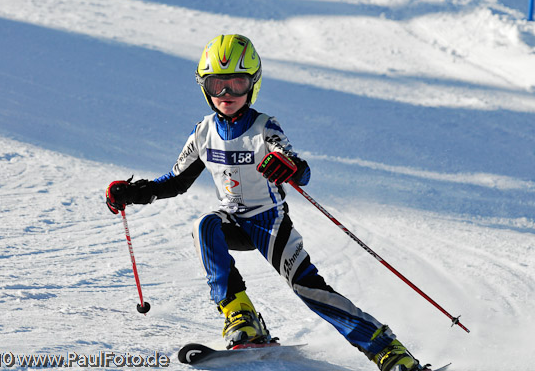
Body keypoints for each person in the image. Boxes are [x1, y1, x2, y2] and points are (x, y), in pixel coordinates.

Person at [106, 34, 426, 371]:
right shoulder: (203, 132)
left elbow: (298, 169)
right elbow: (176, 181)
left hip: (269, 223)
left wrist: (289, 166)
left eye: (237, 84)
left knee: (309, 289)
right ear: (204, 86)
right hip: (232, 221)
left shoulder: (263, 127)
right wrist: (132, 193)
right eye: (217, 85)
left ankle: (388, 350)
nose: (227, 95)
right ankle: (240, 317)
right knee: (206, 225)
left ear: (253, 85)